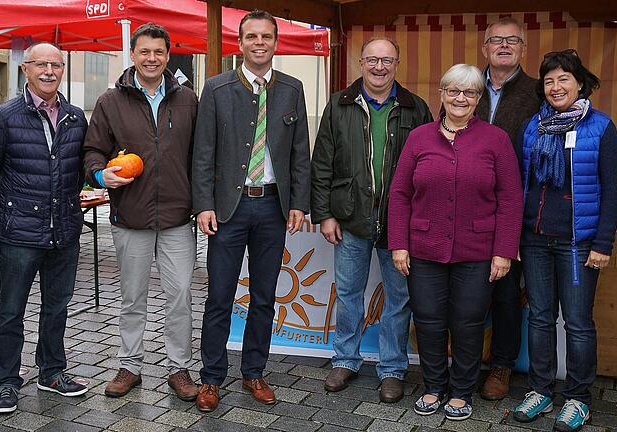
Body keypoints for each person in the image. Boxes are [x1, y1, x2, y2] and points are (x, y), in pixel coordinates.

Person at [388, 64, 523, 421]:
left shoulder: (496, 140)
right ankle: (434, 386)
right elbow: (400, 194)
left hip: (478, 251)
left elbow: (510, 199)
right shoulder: (419, 138)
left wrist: (503, 251)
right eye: (453, 91)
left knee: (468, 321)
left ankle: (462, 391)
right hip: (424, 248)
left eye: (469, 92)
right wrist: (399, 243)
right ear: (442, 94)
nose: (460, 98)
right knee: (429, 320)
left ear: (479, 98)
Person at [192, 9, 310, 412]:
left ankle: (254, 372)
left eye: (267, 37)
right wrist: (203, 204)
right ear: (239, 43)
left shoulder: (292, 88)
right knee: (220, 296)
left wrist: (299, 204)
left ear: (276, 43)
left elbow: (300, 154)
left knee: (264, 297)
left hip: (273, 208)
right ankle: (211, 378)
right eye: (252, 37)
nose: (259, 43)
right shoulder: (217, 88)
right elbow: (203, 153)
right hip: (229, 208)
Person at [83, 23, 200, 401]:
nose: (152, 59)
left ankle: (178, 367)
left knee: (180, 294)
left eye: (159, 52)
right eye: (144, 52)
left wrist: (202, 203)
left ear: (168, 55)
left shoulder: (187, 100)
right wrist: (101, 174)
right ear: (132, 55)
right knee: (132, 296)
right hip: (130, 216)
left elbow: (202, 155)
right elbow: (92, 151)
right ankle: (130, 365)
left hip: (178, 217)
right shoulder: (110, 101)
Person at [311, 37, 432, 400]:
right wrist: (325, 214)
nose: (380, 67)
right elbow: (322, 164)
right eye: (373, 60)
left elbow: (428, 168)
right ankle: (345, 360)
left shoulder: (415, 107)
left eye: (387, 61)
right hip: (350, 217)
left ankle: (392, 367)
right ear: (360, 63)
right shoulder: (340, 104)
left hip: (399, 222)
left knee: (399, 298)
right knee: (348, 294)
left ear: (397, 64)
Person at [0, 42, 89, 414]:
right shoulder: (3, 117)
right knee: (11, 309)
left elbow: (74, 175)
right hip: (18, 234)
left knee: (57, 307)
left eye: (56, 65)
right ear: (26, 69)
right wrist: (8, 215)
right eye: (41, 64)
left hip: (65, 231)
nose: (50, 72)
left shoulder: (74, 117)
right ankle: (7, 381)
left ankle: (52, 371)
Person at [512, 49, 617, 432]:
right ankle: (540, 390)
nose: (556, 87)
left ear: (579, 83)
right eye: (549, 81)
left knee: (577, 323)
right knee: (540, 318)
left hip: (579, 244)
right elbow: (522, 182)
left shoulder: (601, 127)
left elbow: (613, 190)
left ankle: (578, 398)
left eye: (563, 79)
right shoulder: (534, 126)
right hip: (536, 240)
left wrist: (603, 243)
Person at [476, 17, 542, 401]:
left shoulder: (537, 92)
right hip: (468, 208)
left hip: (516, 207)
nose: (503, 46)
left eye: (511, 40)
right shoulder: (466, 84)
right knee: (468, 290)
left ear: (522, 49)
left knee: (504, 292)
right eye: (496, 40)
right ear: (484, 47)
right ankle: (463, 361)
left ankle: (501, 365)